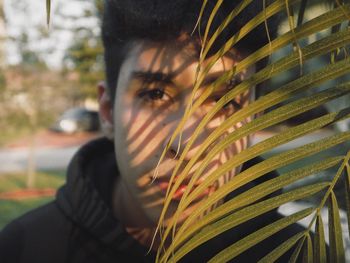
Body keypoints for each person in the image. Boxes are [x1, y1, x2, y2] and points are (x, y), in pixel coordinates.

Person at [0, 0, 305, 262]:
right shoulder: (25, 249)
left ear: (255, 116)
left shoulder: (297, 253)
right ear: (108, 111)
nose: (188, 143)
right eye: (155, 94)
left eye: (222, 101)